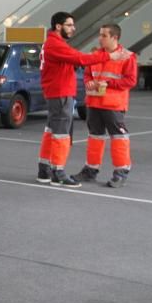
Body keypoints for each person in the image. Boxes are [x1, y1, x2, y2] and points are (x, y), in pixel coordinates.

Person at [37, 11, 128, 187]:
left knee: (52, 131)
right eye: (69, 25)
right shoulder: (55, 44)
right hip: (63, 94)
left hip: (71, 96)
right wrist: (108, 56)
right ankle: (58, 172)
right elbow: (80, 59)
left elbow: (78, 60)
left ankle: (45, 168)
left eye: (103, 35)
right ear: (58, 26)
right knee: (61, 134)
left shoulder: (54, 43)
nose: (73, 28)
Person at [73, 24, 137, 187]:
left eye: (103, 35)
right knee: (95, 136)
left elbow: (131, 80)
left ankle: (121, 171)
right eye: (100, 35)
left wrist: (108, 83)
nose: (99, 38)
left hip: (113, 104)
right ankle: (91, 170)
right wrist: (88, 83)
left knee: (119, 138)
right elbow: (87, 74)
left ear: (114, 37)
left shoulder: (127, 56)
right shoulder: (95, 55)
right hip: (94, 103)